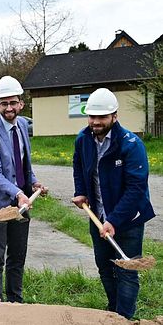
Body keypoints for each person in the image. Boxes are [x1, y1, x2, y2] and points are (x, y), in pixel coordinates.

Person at [71, 88, 155, 319]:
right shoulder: (83, 139)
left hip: (128, 220)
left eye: (102, 117)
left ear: (114, 116)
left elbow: (136, 189)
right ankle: (114, 312)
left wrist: (114, 221)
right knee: (105, 267)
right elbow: (78, 166)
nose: (95, 122)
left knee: (126, 270)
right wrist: (81, 192)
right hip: (97, 217)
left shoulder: (131, 144)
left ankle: (124, 318)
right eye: (92, 117)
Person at [0, 76, 47, 302]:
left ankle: (16, 302)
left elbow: (23, 163)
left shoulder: (23, 125)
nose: (9, 108)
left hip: (21, 202)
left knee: (18, 255)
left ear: (21, 104)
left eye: (13, 102)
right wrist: (18, 193)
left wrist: (33, 182)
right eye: (3, 103)